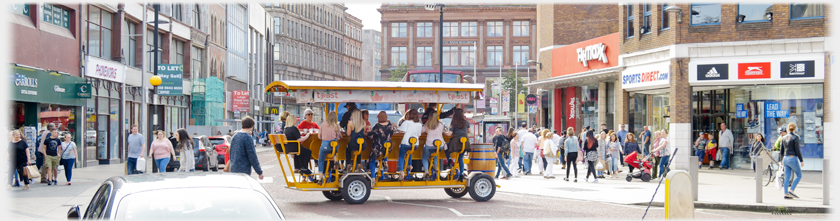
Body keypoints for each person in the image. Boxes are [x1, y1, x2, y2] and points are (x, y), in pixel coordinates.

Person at [396, 109, 423, 181]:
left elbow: (400, 131)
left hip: (405, 142)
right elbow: (418, 136)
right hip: (415, 144)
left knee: (401, 156)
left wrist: (395, 125)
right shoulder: (419, 125)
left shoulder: (406, 122)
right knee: (409, 151)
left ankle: (401, 171)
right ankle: (410, 166)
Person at [367, 111, 394, 181]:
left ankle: (373, 177)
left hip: (378, 148)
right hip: (388, 147)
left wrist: (369, 131)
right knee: (384, 150)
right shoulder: (390, 125)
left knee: (371, 159)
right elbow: (391, 134)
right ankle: (385, 161)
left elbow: (370, 136)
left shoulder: (377, 126)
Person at [780, 123, 803, 199]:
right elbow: (797, 150)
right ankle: (792, 190)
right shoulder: (795, 137)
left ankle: (786, 194)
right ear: (795, 129)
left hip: (785, 158)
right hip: (792, 158)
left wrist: (781, 160)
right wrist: (801, 160)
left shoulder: (783, 137)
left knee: (787, 177)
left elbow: (781, 150)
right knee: (799, 175)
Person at [446, 108, 470, 180]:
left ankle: (449, 160)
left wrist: (443, 132)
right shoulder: (466, 122)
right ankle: (461, 174)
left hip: (456, 142)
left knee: (446, 147)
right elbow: (469, 131)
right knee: (460, 158)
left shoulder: (454, 123)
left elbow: (449, 134)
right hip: (465, 142)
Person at [421, 111, 446, 180]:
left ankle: (426, 171)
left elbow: (421, 131)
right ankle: (436, 167)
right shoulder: (441, 124)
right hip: (440, 145)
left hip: (429, 145)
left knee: (425, 157)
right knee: (436, 152)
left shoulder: (427, 124)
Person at [317, 111, 342, 178]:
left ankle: (320, 177)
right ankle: (335, 161)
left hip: (325, 145)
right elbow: (339, 137)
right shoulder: (336, 125)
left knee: (321, 160)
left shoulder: (323, 124)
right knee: (333, 149)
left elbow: (319, 136)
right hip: (334, 145)